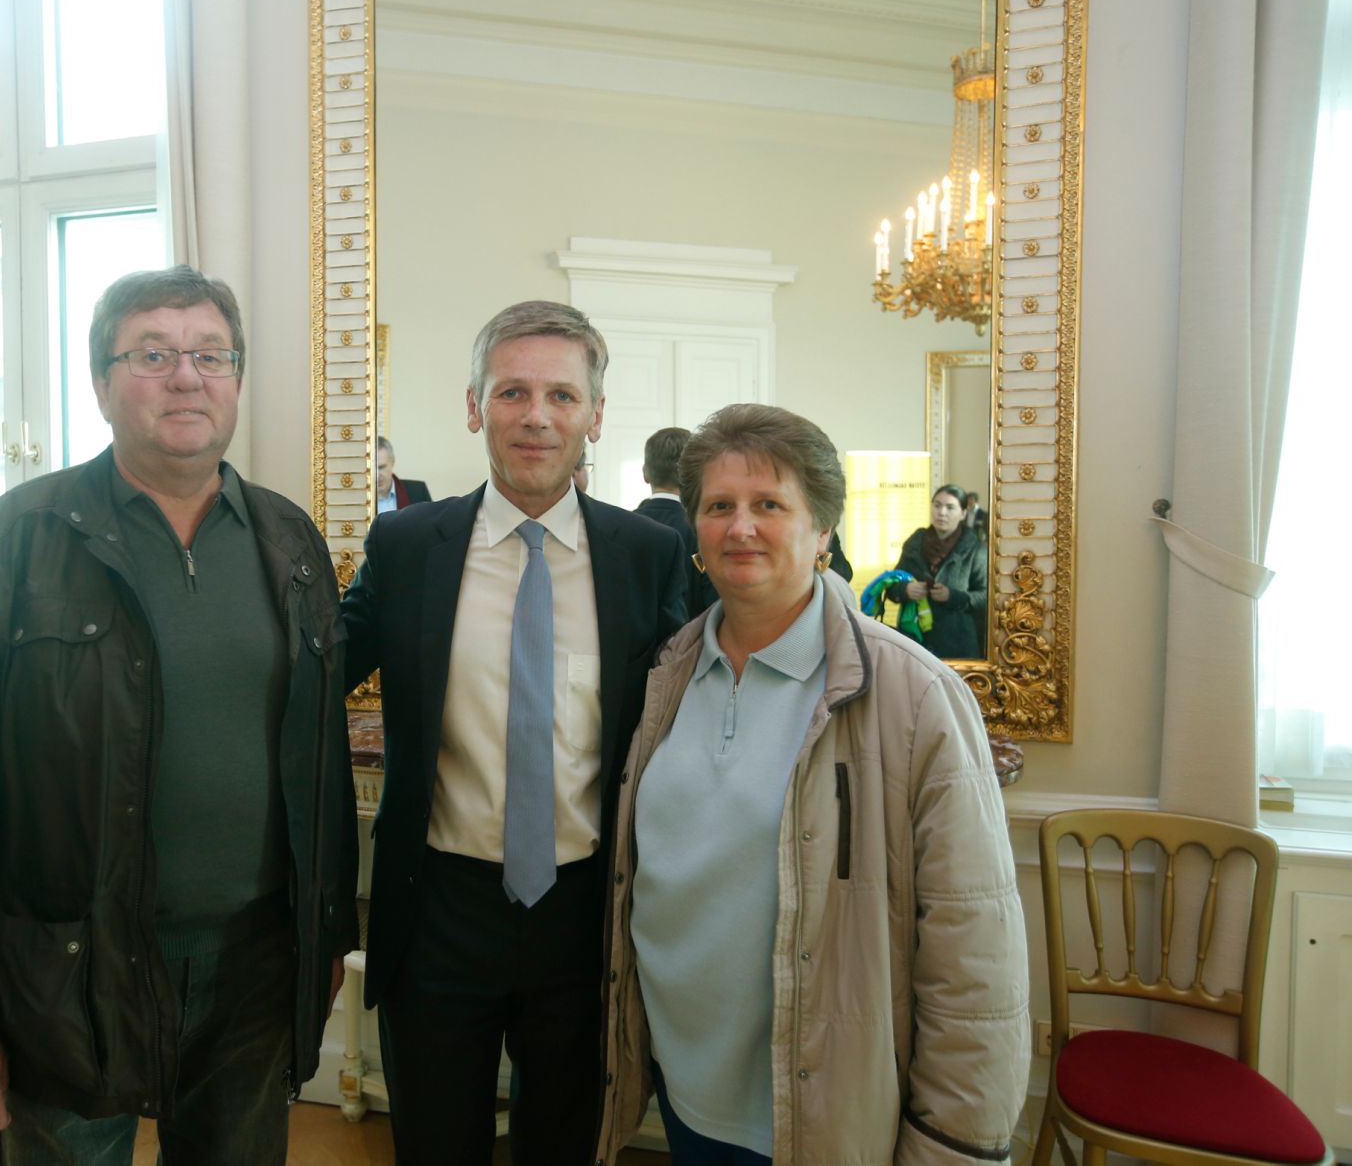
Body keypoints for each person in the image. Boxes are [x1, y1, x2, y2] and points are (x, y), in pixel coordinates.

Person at [0, 266, 359, 1166]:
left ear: (239, 379)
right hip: (65, 974)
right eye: (153, 354)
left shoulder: (288, 541)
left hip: (253, 971)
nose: (187, 376)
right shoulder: (7, 545)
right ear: (101, 383)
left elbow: (318, 763)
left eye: (211, 354)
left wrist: (324, 938)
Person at [595, 403, 1028, 1164]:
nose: (741, 528)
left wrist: (953, 1144)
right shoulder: (666, 675)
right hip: (683, 1093)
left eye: (770, 505)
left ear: (823, 531)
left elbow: (974, 958)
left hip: (817, 1113)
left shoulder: (913, 695)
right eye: (719, 506)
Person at [340, 300, 687, 1166]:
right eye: (512, 392)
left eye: (563, 396)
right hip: (438, 910)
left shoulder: (647, 556)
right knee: (434, 1145)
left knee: (564, 1147)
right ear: (473, 406)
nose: (537, 417)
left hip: (587, 912)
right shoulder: (408, 543)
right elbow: (312, 665)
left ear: (595, 416)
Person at [888, 483, 989, 659]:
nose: (942, 512)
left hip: (957, 645)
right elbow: (892, 585)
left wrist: (952, 596)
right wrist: (905, 590)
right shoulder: (914, 544)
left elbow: (987, 597)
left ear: (963, 514)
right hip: (914, 641)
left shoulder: (975, 549)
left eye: (950, 507)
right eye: (937, 505)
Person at [634, 426, 717, 616]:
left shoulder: (620, 529)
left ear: (645, 474)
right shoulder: (705, 529)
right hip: (694, 640)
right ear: (694, 475)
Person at [376, 435, 433, 514]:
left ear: (392, 462)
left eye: (381, 467)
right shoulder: (357, 498)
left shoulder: (418, 492)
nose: (376, 475)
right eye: (372, 470)